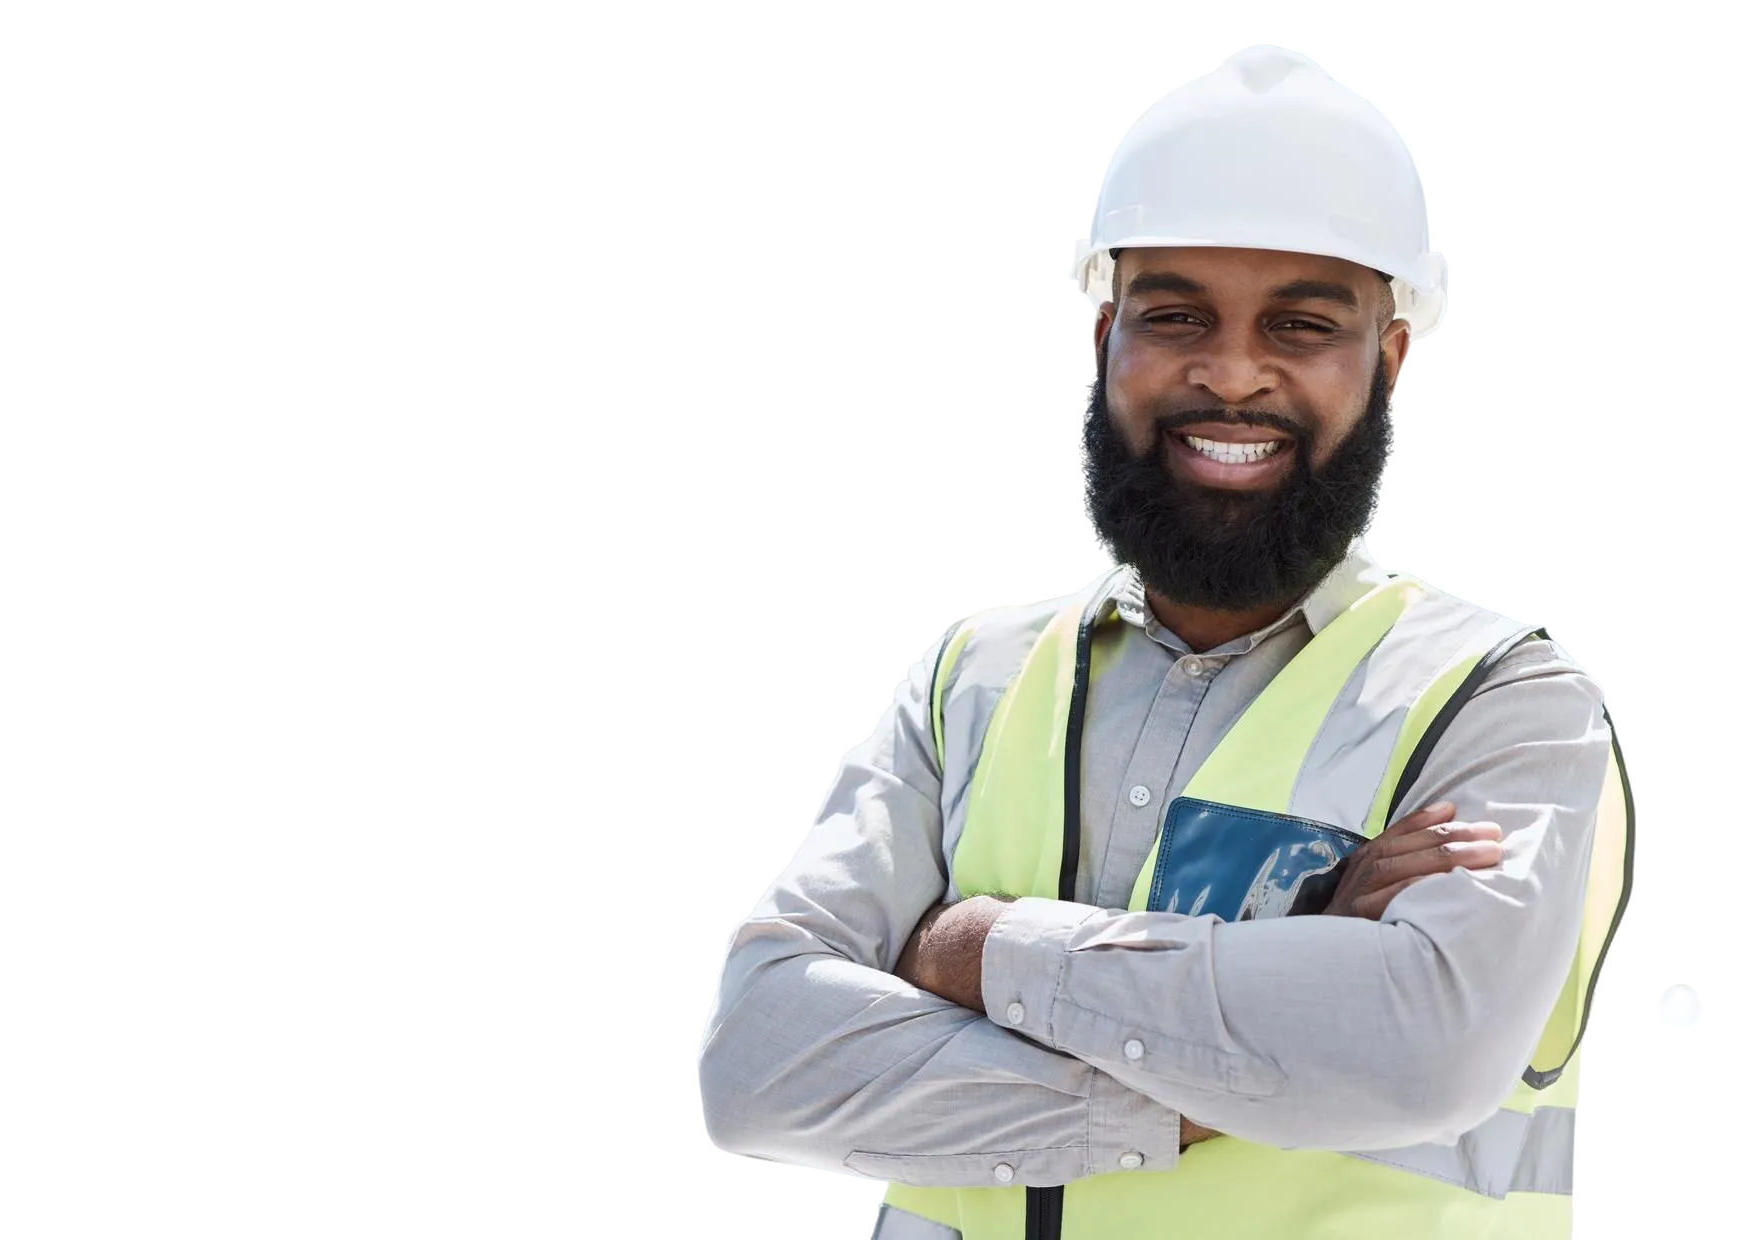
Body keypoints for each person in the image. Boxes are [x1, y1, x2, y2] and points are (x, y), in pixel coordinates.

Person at [696, 46, 1630, 1240]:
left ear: (1385, 365)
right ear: (1104, 344)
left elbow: (1415, 1050)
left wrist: (971, 945)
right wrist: (1239, 1050)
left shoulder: (1499, 707)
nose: (1231, 372)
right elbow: (759, 1063)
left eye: (1299, 324)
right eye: (1175, 313)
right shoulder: (967, 681)